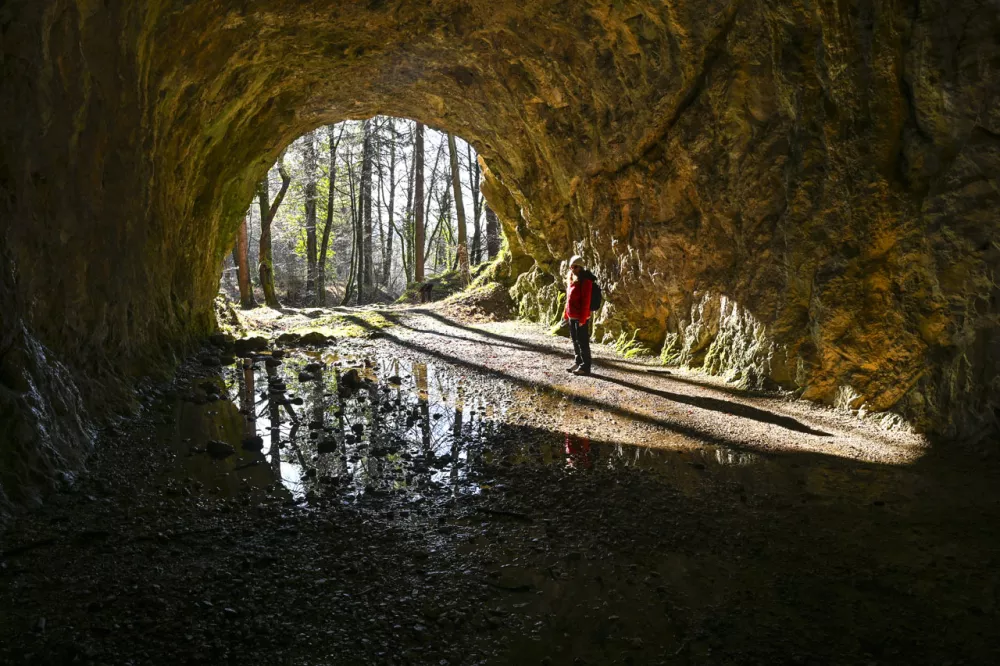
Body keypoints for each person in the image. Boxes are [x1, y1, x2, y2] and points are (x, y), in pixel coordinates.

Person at [564, 255, 594, 376]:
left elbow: (586, 301)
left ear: (580, 267)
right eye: (571, 266)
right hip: (572, 316)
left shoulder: (586, 281)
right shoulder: (572, 279)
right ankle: (578, 362)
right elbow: (568, 299)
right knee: (575, 341)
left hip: (581, 317)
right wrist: (566, 313)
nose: (572, 269)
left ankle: (585, 367)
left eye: (575, 266)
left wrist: (582, 319)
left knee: (583, 342)